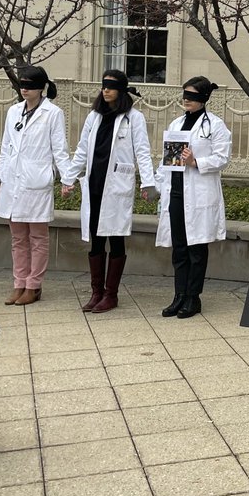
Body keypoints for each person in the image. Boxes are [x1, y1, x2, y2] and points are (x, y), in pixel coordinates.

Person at [61, 70, 157, 313]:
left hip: (116, 185)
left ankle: (111, 294)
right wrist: (68, 178)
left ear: (122, 90)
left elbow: (143, 152)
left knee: (115, 237)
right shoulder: (94, 116)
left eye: (111, 87)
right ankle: (96, 292)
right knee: (96, 237)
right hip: (95, 183)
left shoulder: (134, 118)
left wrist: (148, 182)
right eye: (104, 86)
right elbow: (82, 149)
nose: (105, 90)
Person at [0, 66, 73, 306]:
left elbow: (60, 148)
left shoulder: (52, 113)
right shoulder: (14, 112)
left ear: (41, 88)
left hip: (36, 180)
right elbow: (5, 149)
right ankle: (19, 283)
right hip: (12, 180)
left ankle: (34, 285)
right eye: (21, 84)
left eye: (29, 85)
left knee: (38, 237)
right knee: (18, 238)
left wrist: (67, 180)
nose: (24, 89)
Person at [156, 76, 231, 318]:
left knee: (196, 248)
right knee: (179, 248)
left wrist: (196, 161)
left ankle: (193, 297)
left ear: (204, 98)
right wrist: (158, 183)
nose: (187, 99)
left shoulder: (216, 126)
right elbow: (167, 159)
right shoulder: (177, 123)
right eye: (185, 94)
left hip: (199, 194)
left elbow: (222, 158)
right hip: (176, 192)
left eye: (193, 96)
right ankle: (178, 296)